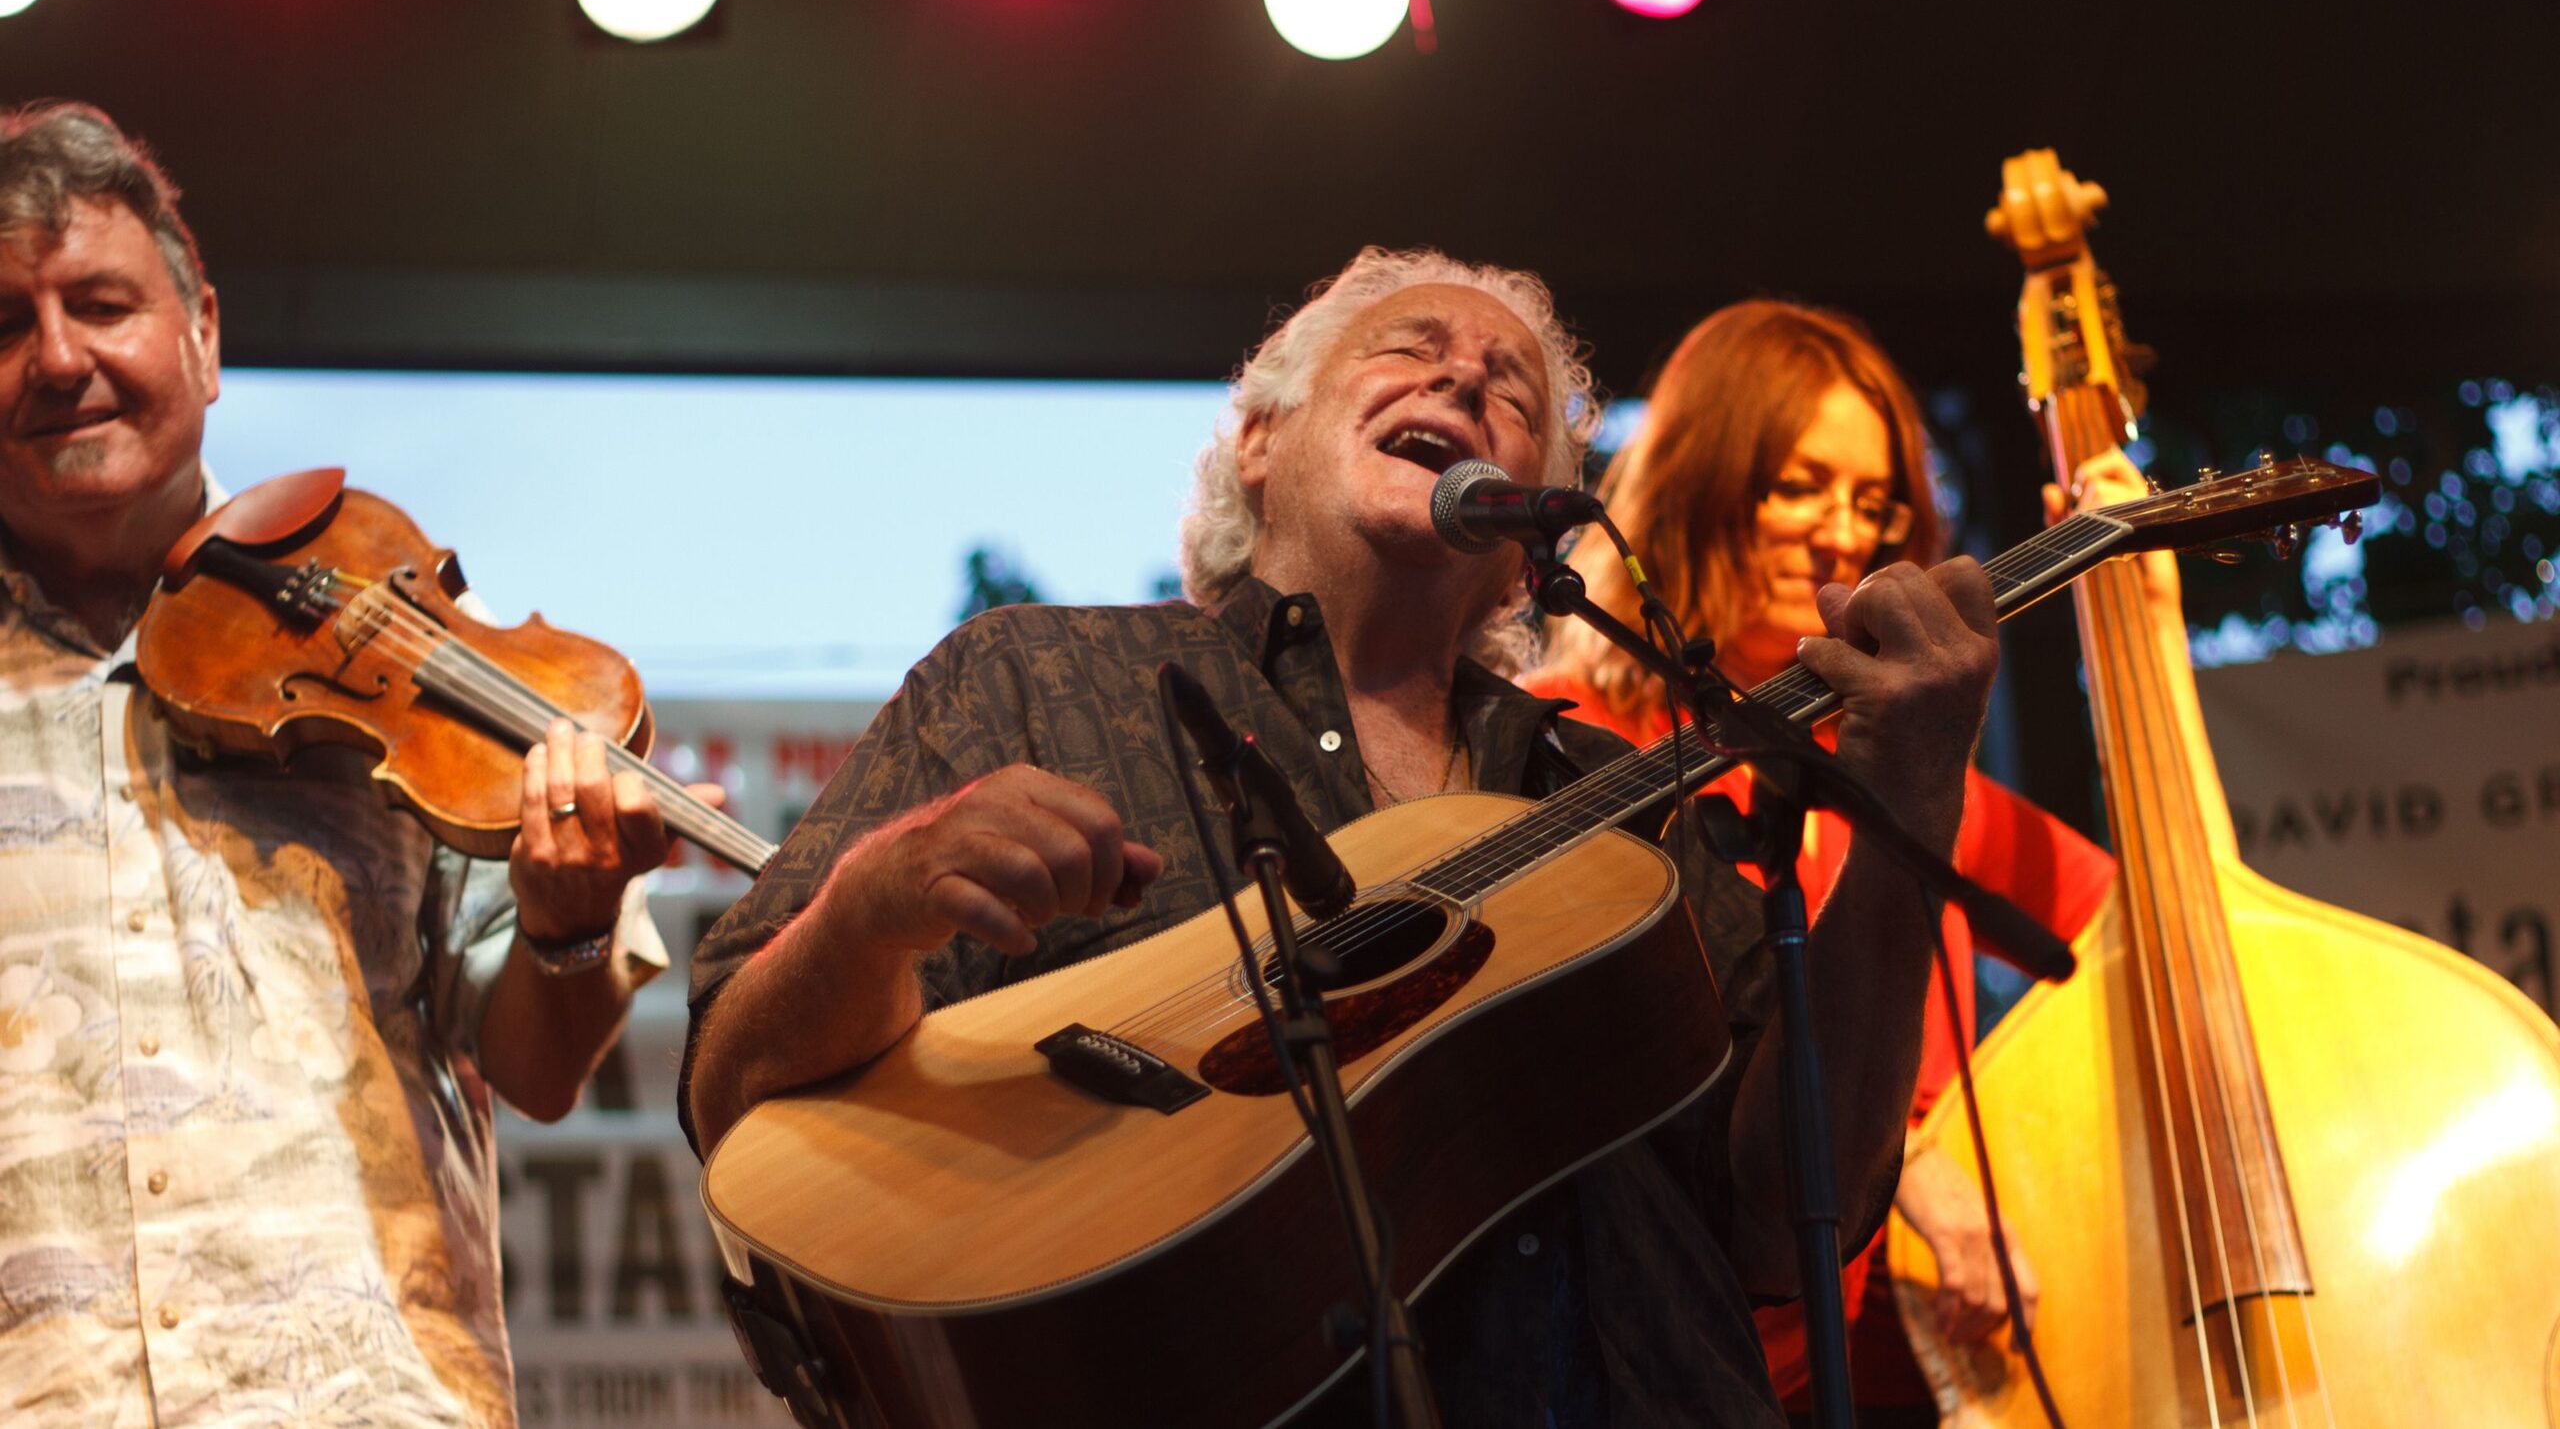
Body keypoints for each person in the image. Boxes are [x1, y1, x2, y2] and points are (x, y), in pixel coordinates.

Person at [683, 248, 2004, 1426]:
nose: (1467, 379)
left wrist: (1910, 803)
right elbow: (736, 1093)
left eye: (1512, 394)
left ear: (1527, 550)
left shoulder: (1622, 801)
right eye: (1411, 349)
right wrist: (872, 904)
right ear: (1258, 441)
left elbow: (1786, 1217)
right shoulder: (1033, 680)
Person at [0, 102, 699, 1426]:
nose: (57, 357)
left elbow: (537, 1070)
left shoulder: (390, 652)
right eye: (3, 325)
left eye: (101, 305)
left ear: (204, 335)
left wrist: (569, 923)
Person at [1523, 300, 2121, 1421]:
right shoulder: (1561, 739)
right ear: (1701, 485)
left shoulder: (1899, 771)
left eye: (1875, 502)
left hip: (1911, 1375)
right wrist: (1913, 1168)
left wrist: (2138, 620)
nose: (1843, 535)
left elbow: (2142, 932)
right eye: (1799, 486)